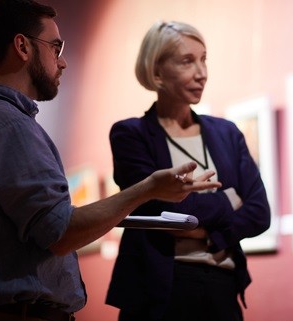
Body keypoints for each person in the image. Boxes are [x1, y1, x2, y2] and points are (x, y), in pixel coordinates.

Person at [0, 2, 222, 321]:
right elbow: (61, 233)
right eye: (56, 47)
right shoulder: (10, 127)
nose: (63, 62)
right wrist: (148, 189)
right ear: (23, 47)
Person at [105, 21, 271, 321]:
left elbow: (259, 213)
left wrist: (205, 232)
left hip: (222, 288)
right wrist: (227, 201)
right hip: (158, 292)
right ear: (156, 72)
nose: (201, 72)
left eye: (203, 59)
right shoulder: (130, 134)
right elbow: (155, 208)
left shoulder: (227, 133)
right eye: (187, 61)